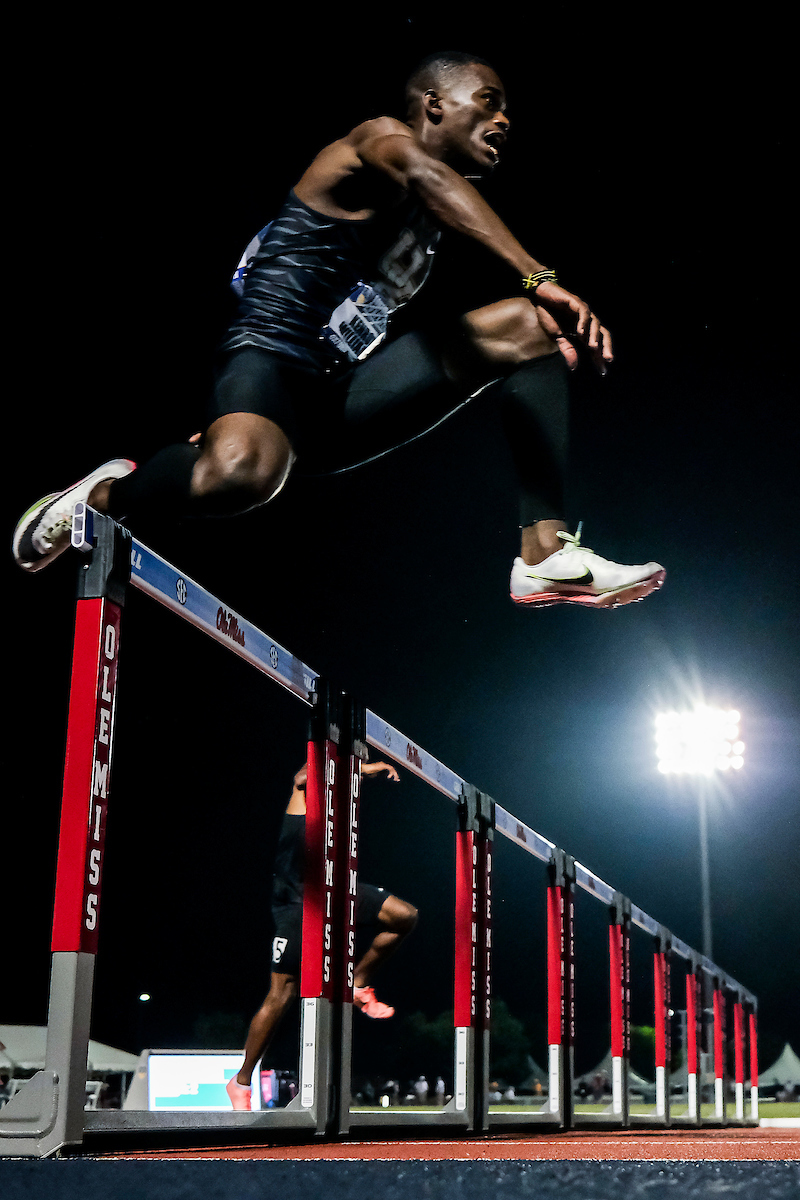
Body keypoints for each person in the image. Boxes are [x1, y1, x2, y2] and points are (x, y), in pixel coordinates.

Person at [14, 51, 664, 609]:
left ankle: (544, 554)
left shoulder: (426, 225)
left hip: (329, 397)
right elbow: (427, 176)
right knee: (241, 473)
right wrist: (536, 274)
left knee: (529, 329)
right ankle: (104, 495)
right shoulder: (377, 141)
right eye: (489, 102)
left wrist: (539, 350)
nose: (504, 121)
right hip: (268, 354)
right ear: (434, 104)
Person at [226, 758, 417, 1110]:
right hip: (296, 900)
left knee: (404, 916)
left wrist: (361, 773)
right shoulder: (304, 793)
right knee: (282, 992)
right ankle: (240, 1081)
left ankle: (358, 983)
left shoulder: (340, 808)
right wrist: (367, 767)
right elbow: (305, 773)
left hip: (336, 889)